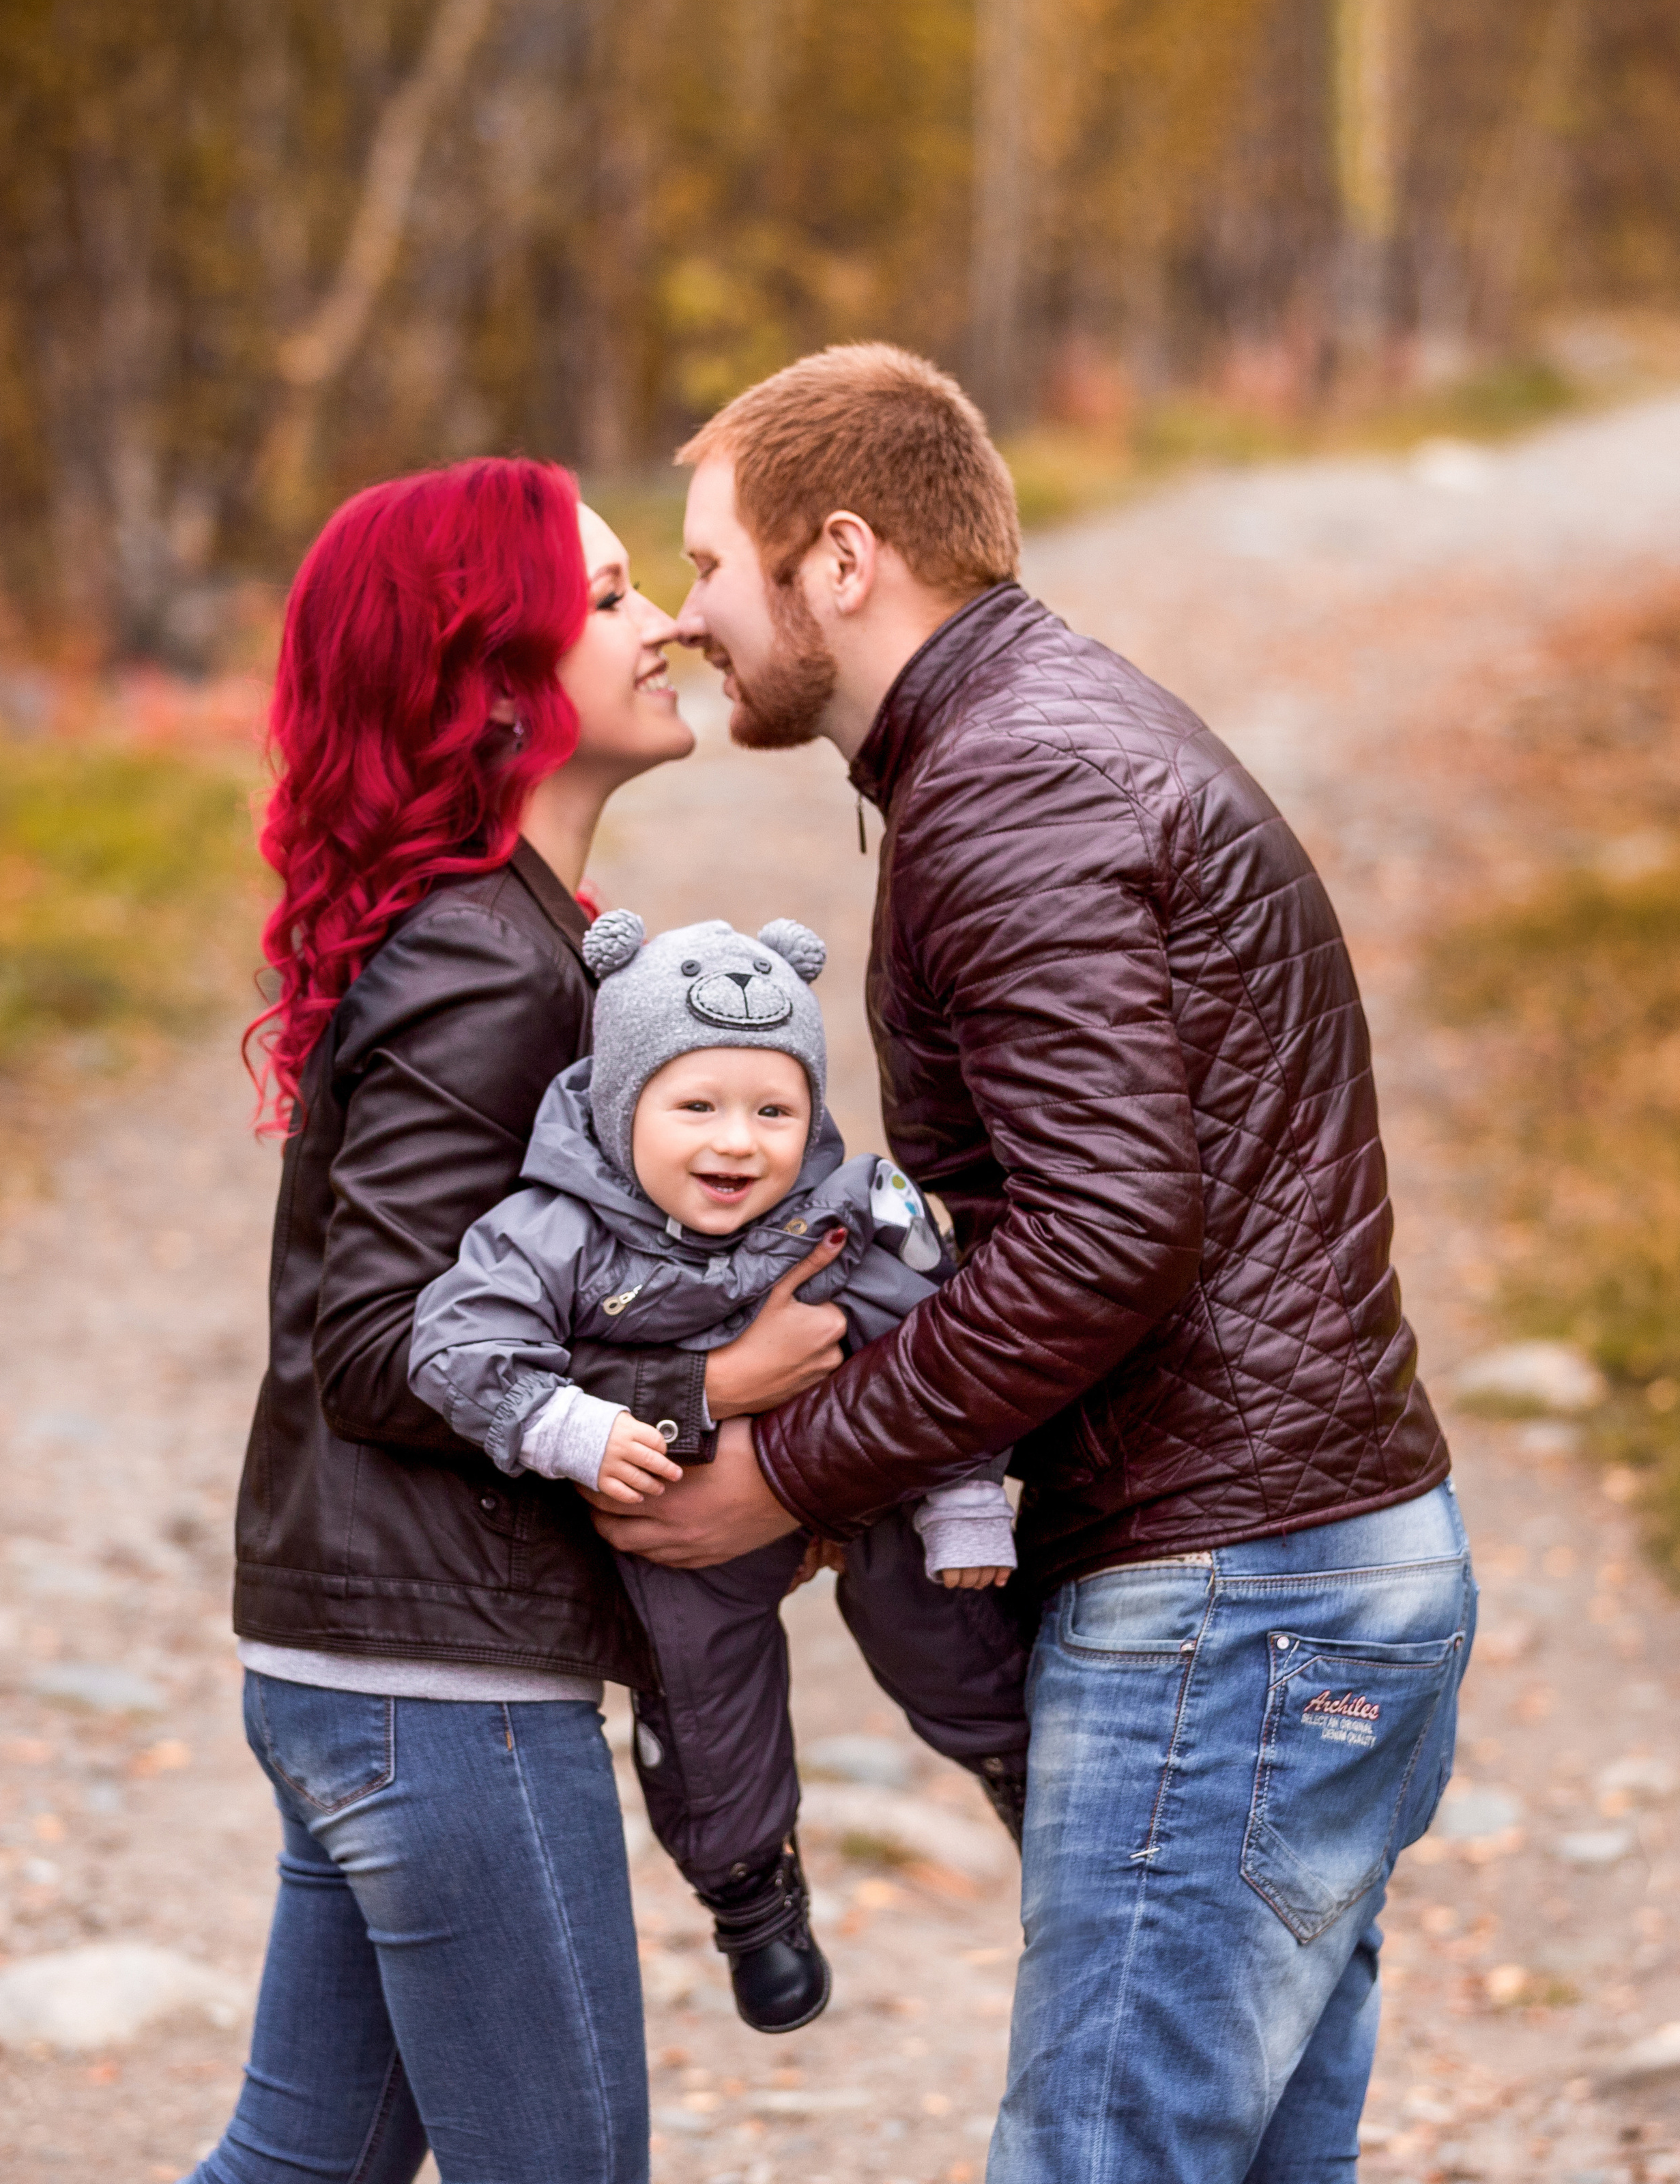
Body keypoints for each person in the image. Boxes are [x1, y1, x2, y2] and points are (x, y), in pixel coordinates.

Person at [590, 345, 1477, 2183]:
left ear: (840, 559)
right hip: (1304, 1562)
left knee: (1106, 2155)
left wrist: (785, 1473)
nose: (689, 623)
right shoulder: (1029, 745)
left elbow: (1103, 1236)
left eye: (708, 567)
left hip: (1237, 1590)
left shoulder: (1016, 787)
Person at [192, 457, 848, 2184]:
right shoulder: (494, 958)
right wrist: (712, 1380)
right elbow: (383, 1338)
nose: (666, 630)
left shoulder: (527, 942)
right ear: (494, 681)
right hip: (438, 1678)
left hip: (377, 1658)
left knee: (301, 2167)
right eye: (615, 598)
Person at [407, 908, 1025, 2032]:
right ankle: (749, 1891)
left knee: (940, 1599)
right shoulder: (555, 1227)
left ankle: (1009, 1752)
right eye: (696, 1107)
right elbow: (455, 1347)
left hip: (857, 1472)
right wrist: (565, 1425)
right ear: (618, 1103)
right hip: (682, 1499)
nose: (738, 1144)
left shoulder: (846, 1212)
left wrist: (966, 1488)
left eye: (774, 1111)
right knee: (695, 1666)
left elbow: (942, 1339)